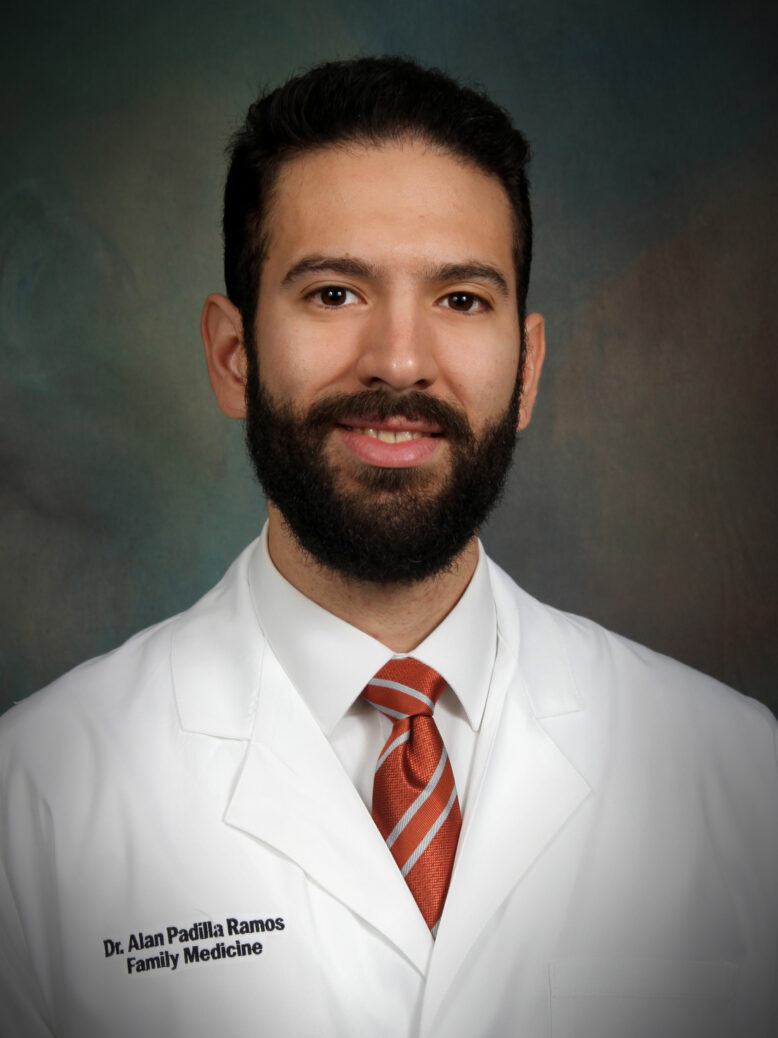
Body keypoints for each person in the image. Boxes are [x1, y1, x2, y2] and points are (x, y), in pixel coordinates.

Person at [0, 56, 775, 1038]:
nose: (400, 362)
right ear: (233, 356)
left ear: (527, 369)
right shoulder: (34, 799)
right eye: (334, 293)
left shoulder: (739, 775)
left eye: (462, 300)